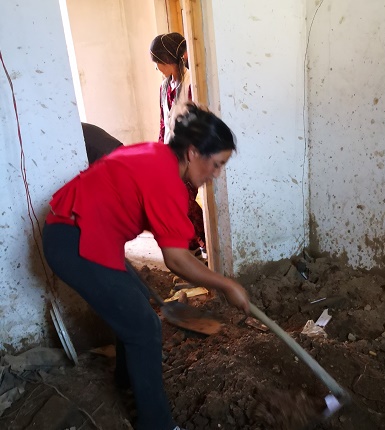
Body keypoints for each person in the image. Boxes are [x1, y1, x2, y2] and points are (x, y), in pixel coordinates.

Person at [42, 103, 250, 430]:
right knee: (144, 328)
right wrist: (228, 285)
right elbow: (176, 259)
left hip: (88, 233)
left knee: (136, 303)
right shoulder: (164, 177)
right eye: (217, 164)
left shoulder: (159, 157)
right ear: (193, 153)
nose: (217, 174)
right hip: (74, 240)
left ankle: (127, 382)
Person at [150, 32, 207, 264]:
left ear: (168, 59)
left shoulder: (192, 84)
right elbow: (163, 122)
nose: (157, 68)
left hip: (190, 155)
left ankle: (206, 246)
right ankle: (194, 252)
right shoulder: (164, 87)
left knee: (184, 201)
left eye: (158, 62)